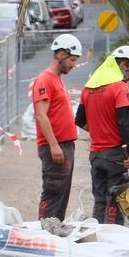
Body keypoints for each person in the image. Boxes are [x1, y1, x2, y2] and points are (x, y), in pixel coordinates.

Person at [76, 46, 129, 224]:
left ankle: (97, 237)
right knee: (115, 200)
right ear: (124, 65)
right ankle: (112, 240)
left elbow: (79, 119)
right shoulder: (119, 88)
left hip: (95, 155)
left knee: (99, 199)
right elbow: (124, 124)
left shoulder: (88, 88)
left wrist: (98, 131)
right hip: (114, 156)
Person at [32, 33, 82, 220]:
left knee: (61, 195)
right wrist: (53, 145)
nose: (74, 64)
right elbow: (41, 115)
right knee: (53, 193)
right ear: (61, 54)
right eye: (72, 60)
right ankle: (44, 233)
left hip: (65, 146)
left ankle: (54, 233)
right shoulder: (45, 79)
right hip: (56, 148)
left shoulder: (57, 79)